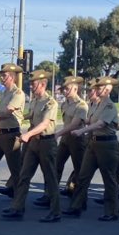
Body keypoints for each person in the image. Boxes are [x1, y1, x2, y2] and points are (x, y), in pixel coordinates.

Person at [3, 70, 61, 222]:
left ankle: (55, 211)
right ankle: (17, 207)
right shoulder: (35, 100)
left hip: (46, 142)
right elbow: (32, 116)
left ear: (43, 84)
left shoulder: (51, 103)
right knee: (24, 175)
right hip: (34, 143)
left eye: (34, 84)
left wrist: (27, 135)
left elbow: (44, 123)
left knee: (50, 178)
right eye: (30, 84)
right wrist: (20, 116)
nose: (31, 87)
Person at [64, 76, 119, 221]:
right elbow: (90, 120)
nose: (96, 90)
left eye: (99, 88)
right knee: (83, 176)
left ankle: (111, 211)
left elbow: (101, 124)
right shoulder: (97, 105)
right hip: (93, 144)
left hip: (107, 145)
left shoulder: (109, 106)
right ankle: (76, 207)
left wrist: (82, 131)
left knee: (109, 179)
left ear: (107, 90)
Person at [38, 75, 87, 205]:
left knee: (79, 170)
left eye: (68, 89)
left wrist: (58, 133)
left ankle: (80, 199)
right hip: (65, 140)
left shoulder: (81, 105)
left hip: (77, 140)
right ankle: (49, 196)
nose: (65, 91)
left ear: (75, 89)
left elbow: (75, 124)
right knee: (55, 167)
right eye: (63, 89)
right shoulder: (64, 104)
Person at [0, 63, 26, 200]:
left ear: (12, 77)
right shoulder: (4, 93)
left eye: (4, 75)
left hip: (11, 135)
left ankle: (18, 200)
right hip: (0, 134)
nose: (1, 78)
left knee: (15, 169)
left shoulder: (18, 94)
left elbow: (6, 113)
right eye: (1, 75)